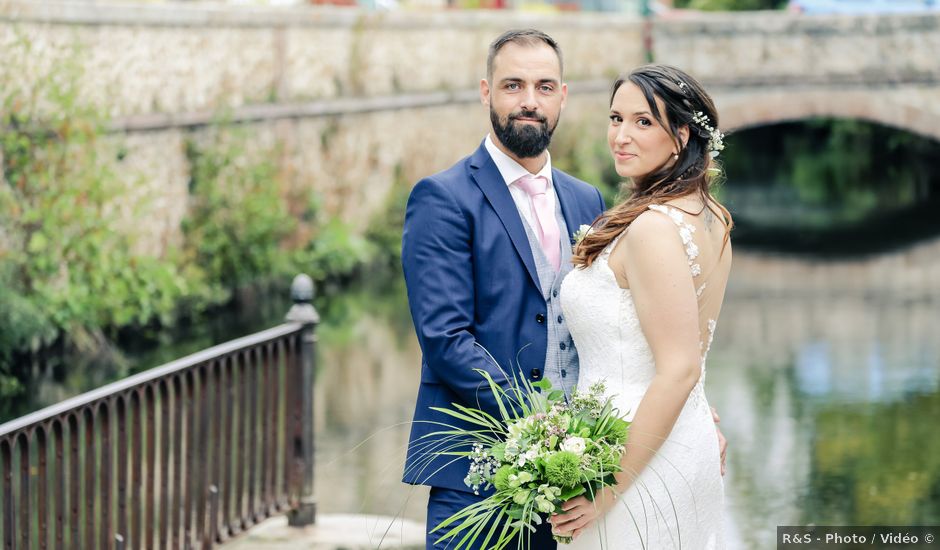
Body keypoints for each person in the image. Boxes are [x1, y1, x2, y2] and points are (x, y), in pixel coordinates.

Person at [400, 29, 606, 549]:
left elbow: (612, 326)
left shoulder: (588, 200)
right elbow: (445, 338)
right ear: (486, 92)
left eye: (544, 86)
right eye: (513, 85)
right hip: (475, 477)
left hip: (577, 486)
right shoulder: (441, 198)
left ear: (563, 95)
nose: (529, 101)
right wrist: (541, 427)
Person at [549, 64, 733, 549]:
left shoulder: (653, 228)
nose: (621, 136)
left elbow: (678, 369)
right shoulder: (712, 217)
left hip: (633, 455)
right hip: (677, 436)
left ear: (680, 135)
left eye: (642, 122)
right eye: (615, 118)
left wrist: (607, 488)